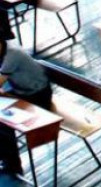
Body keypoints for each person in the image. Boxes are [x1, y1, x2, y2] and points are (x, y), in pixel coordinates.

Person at [0, 38, 52, 176]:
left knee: (3, 125)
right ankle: (6, 156)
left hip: (38, 96)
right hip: (22, 91)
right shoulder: (4, 49)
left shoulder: (12, 54)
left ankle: (12, 164)